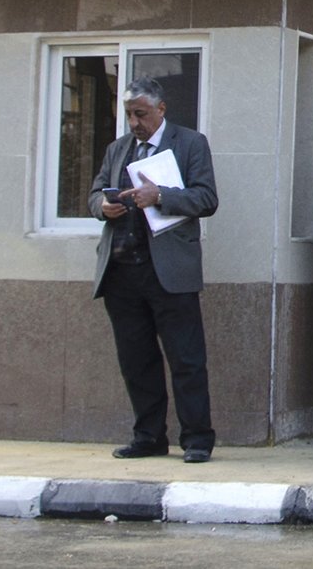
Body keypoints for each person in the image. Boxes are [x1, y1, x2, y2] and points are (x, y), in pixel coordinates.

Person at [91, 77, 219, 464]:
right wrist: (103, 207)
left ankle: (197, 439)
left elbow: (207, 197)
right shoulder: (118, 150)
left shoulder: (190, 143)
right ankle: (148, 436)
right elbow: (96, 192)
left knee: (186, 359)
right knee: (136, 360)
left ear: (161, 110)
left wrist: (160, 196)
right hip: (122, 271)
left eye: (141, 114)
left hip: (170, 272)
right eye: (129, 114)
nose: (134, 122)